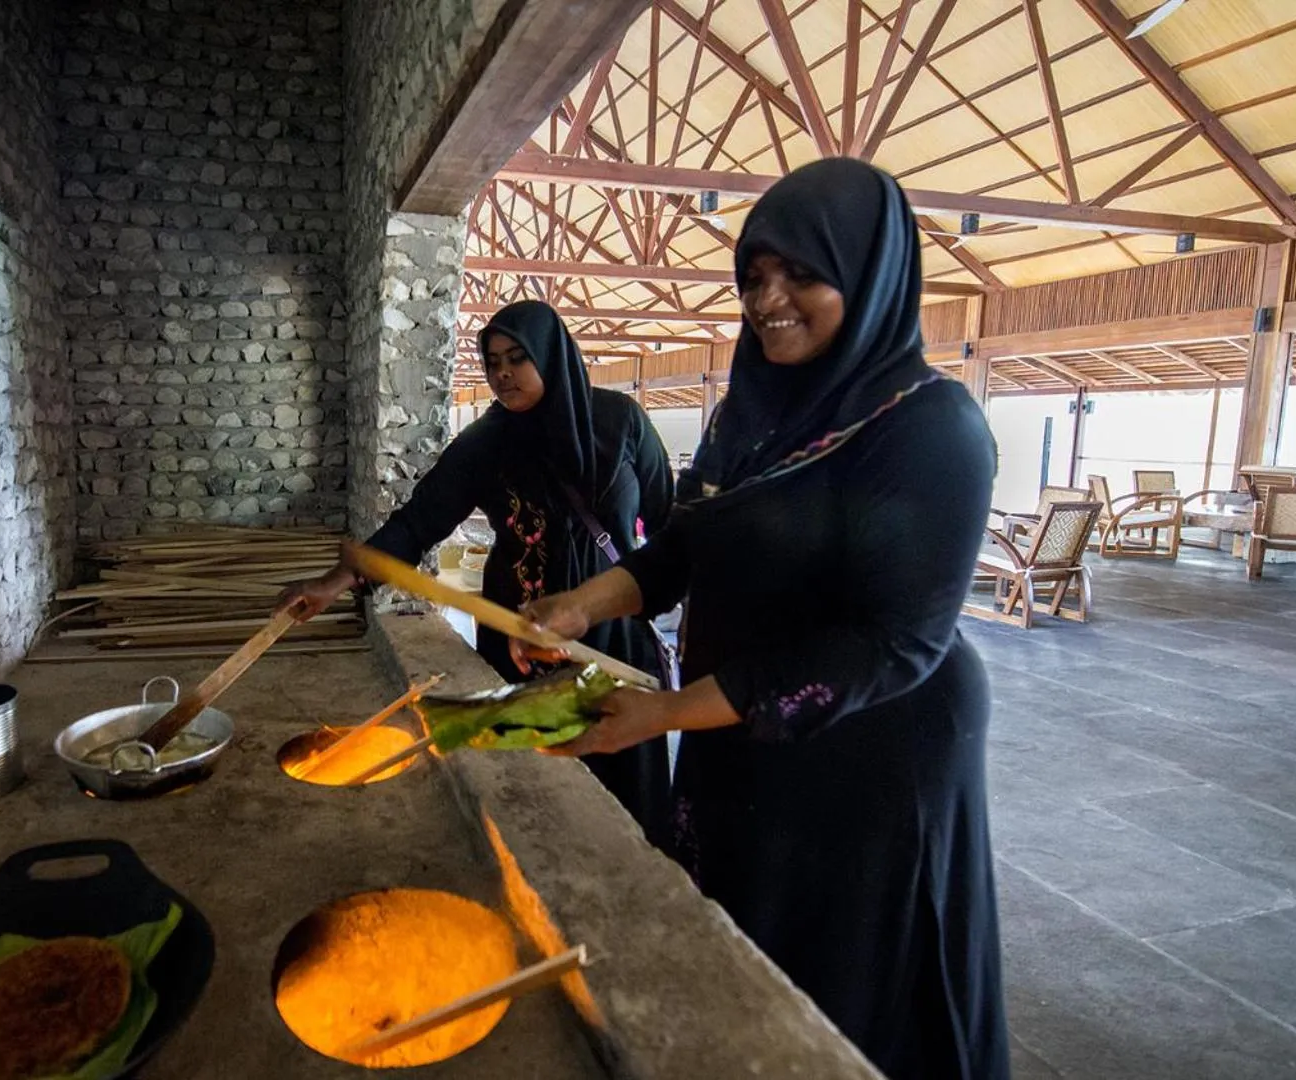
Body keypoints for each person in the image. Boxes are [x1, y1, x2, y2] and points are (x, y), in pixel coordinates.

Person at [513, 159, 1009, 1080]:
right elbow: (687, 545)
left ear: (868, 276)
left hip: (865, 750)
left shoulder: (929, 427)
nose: (767, 299)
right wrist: (580, 604)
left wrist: (662, 712)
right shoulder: (749, 415)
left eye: (800, 274)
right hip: (734, 717)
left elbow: (891, 641)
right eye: (752, 276)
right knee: (740, 946)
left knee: (841, 987)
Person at [281, 299, 676, 847]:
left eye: (517, 358)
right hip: (520, 642)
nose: (503, 373)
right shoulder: (484, 445)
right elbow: (419, 522)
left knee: (620, 798)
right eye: (492, 362)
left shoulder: (621, 422)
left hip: (612, 640)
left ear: (552, 355)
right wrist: (335, 582)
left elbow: (669, 526)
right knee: (527, 796)